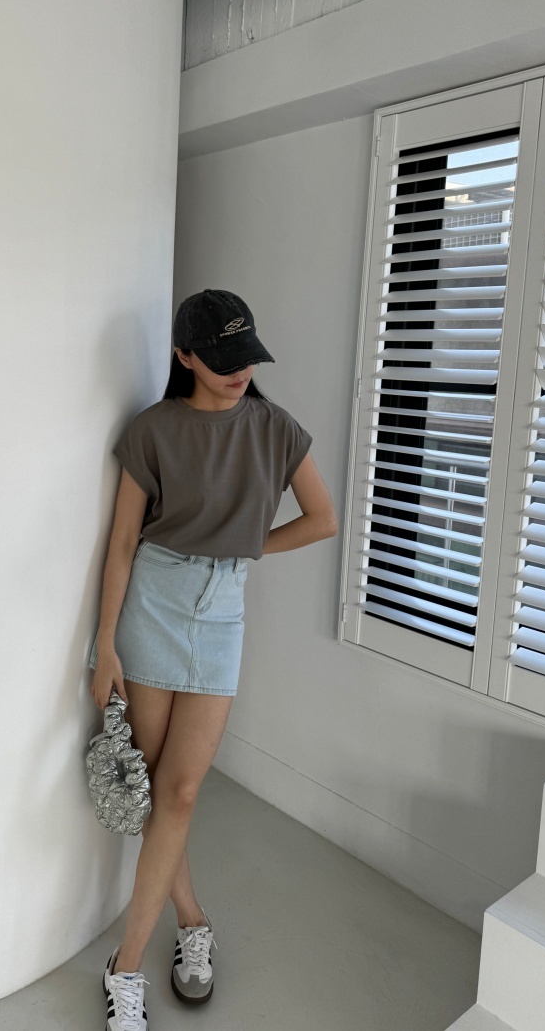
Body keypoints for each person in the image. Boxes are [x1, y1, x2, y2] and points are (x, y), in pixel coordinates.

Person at [87, 288, 337, 1031]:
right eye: (222, 359)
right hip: (153, 606)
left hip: (223, 612)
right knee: (159, 794)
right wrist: (105, 643)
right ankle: (169, 936)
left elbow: (323, 519)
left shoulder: (276, 428)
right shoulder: (154, 429)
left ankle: (136, 955)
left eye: (245, 357)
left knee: (183, 791)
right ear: (185, 356)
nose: (238, 372)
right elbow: (123, 543)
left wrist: (244, 548)